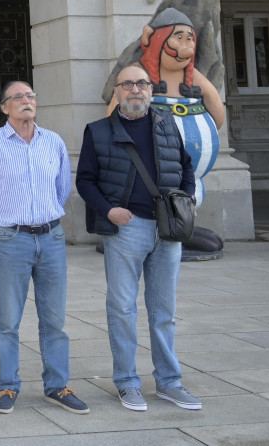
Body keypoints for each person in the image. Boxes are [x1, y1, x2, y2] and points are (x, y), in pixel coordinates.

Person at [78, 64, 202, 412]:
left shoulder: (166, 123)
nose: (136, 90)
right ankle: (127, 383)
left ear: (151, 89)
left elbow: (186, 167)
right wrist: (109, 211)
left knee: (164, 311)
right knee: (122, 309)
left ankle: (169, 381)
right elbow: (85, 180)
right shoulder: (99, 131)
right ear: (117, 91)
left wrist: (187, 200)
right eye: (128, 84)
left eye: (142, 84)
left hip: (167, 230)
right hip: (126, 229)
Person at [0, 81, 89, 415]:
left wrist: (44, 217)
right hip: (11, 241)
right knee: (8, 319)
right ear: (4, 107)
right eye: (17, 97)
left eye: (31, 95)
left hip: (51, 239)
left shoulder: (53, 142)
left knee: (54, 319)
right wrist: (2, 221)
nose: (26, 101)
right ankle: (8, 386)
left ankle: (57, 386)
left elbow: (63, 187)